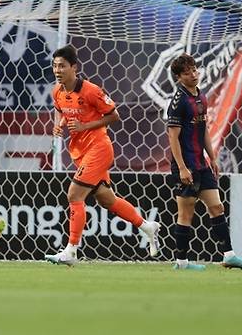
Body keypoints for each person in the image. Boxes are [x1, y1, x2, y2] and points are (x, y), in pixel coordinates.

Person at [45, 45, 160, 266]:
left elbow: (114, 116)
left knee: (74, 195)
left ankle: (71, 251)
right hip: (80, 151)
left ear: (74, 67)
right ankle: (147, 226)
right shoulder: (57, 92)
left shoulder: (91, 91)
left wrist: (85, 125)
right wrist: (58, 126)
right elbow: (61, 110)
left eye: (62, 66)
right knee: (107, 200)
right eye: (55, 66)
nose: (57, 70)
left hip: (99, 148)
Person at [167, 53, 242, 270]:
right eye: (187, 73)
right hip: (185, 166)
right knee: (186, 213)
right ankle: (182, 262)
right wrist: (182, 168)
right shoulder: (178, 102)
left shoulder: (201, 97)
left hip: (201, 164)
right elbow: (173, 137)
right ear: (179, 77)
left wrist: (212, 157)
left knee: (217, 207)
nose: (193, 75)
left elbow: (203, 128)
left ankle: (229, 255)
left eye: (195, 70)